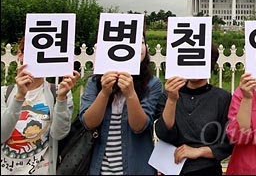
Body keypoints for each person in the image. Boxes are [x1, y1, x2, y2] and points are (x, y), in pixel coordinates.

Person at [79, 30, 163, 175]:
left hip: (136, 168)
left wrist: (130, 94)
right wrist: (105, 92)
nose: (139, 48)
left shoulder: (152, 84)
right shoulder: (94, 82)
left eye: (142, 42)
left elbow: (139, 126)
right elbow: (88, 122)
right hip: (100, 169)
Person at [1, 36, 80, 175]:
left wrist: (61, 99)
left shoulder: (58, 93)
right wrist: (19, 97)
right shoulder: (3, 93)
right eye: (31, 52)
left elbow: (59, 134)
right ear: (20, 55)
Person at [154, 43, 233, 176]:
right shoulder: (169, 95)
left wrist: (198, 151)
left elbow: (227, 143)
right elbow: (163, 133)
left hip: (207, 169)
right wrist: (172, 100)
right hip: (172, 167)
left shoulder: (222, 98)